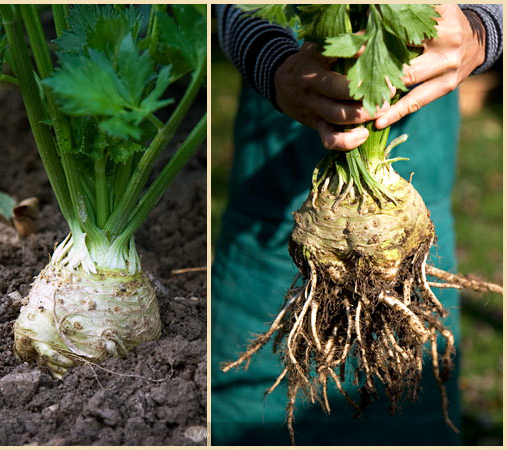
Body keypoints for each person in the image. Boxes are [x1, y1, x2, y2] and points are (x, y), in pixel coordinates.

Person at [211, 4, 502, 445]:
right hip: (269, 223)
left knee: (411, 404)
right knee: (251, 416)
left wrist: (483, 28)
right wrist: (271, 60)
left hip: (401, 218)